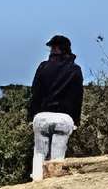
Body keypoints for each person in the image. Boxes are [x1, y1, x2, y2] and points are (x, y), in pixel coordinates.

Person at [28, 34, 84, 181]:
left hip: (42, 116)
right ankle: (53, 184)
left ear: (55, 49)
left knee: (39, 153)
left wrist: (31, 116)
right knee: (57, 157)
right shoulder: (75, 70)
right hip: (64, 118)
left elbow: (35, 93)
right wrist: (76, 121)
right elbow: (77, 97)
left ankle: (37, 181)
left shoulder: (43, 67)